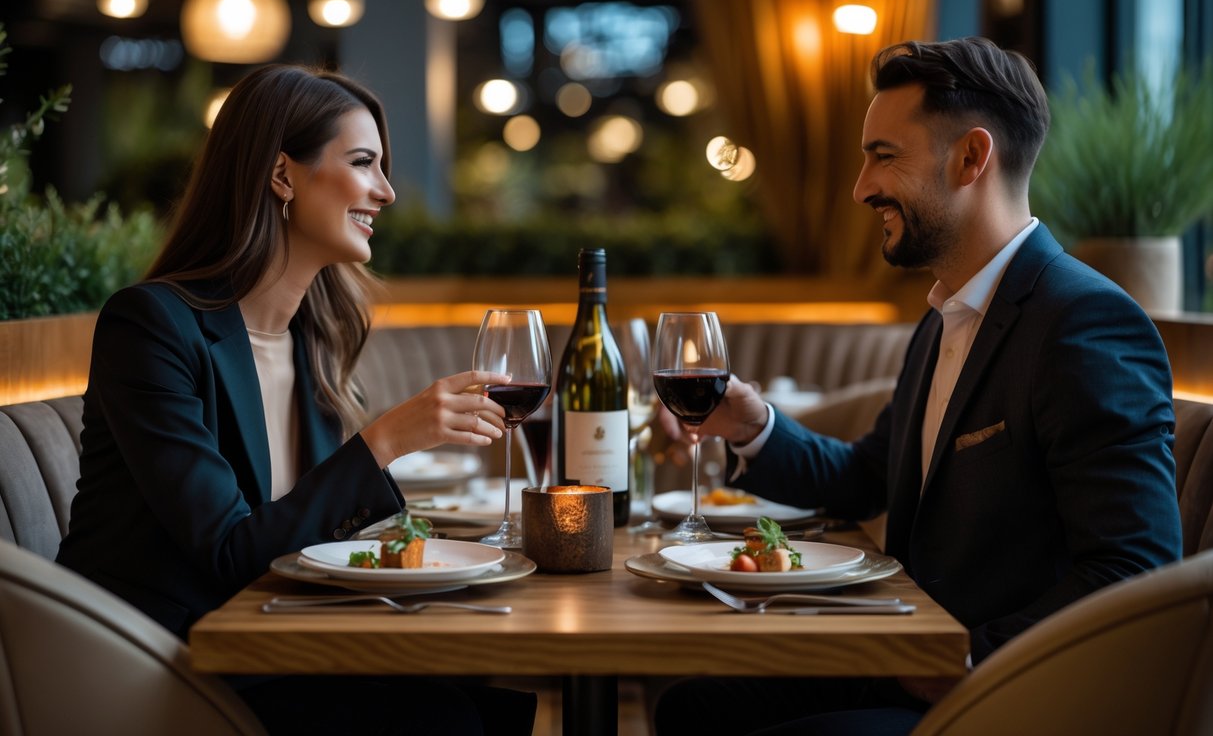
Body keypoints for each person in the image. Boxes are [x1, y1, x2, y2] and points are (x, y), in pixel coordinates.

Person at [654, 37, 1183, 735]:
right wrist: (754, 427)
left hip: (1006, 696)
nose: (860, 187)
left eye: (883, 156)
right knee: (691, 705)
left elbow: (1135, 571)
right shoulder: (946, 316)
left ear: (970, 157)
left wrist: (967, 660)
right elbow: (866, 478)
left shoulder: (1083, 323)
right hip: (910, 661)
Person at [56, 64, 535, 735]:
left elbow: (304, 537)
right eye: (364, 162)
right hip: (155, 660)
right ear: (282, 176)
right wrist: (386, 439)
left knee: (489, 697)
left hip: (269, 640)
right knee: (444, 716)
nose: (388, 191)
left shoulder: (313, 337)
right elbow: (229, 552)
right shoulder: (152, 326)